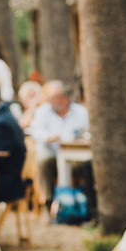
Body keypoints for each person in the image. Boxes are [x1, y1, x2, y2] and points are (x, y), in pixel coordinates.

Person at [29, 80, 90, 210]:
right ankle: (48, 203)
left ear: (66, 98)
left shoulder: (80, 112)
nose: (54, 101)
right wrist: (47, 137)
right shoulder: (43, 111)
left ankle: (80, 204)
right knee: (42, 162)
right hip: (51, 153)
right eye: (51, 98)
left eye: (57, 98)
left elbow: (88, 132)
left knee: (86, 166)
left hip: (75, 156)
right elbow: (35, 131)